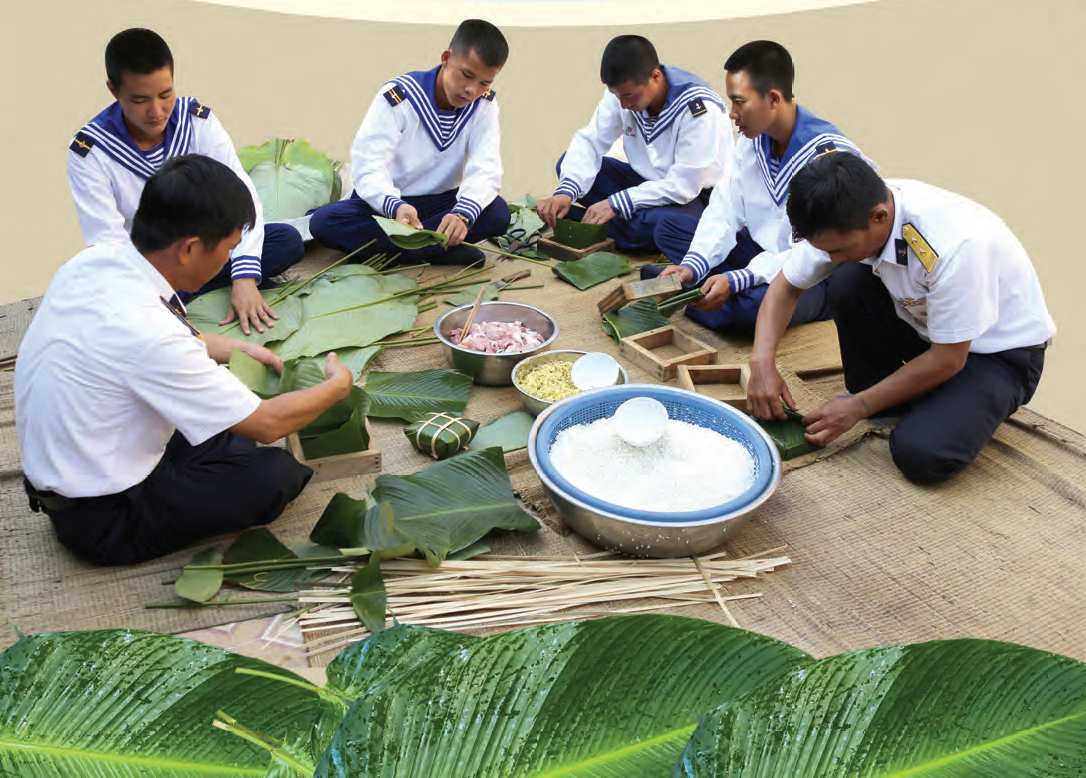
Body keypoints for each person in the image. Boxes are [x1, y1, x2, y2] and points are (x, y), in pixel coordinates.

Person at [17, 155, 354, 565]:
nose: (230, 262)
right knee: (273, 476)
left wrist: (235, 348)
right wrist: (335, 388)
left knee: (227, 426)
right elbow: (269, 425)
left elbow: (163, 338)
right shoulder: (147, 333)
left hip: (84, 454)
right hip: (101, 514)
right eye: (229, 250)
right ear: (191, 248)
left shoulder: (92, 263)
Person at [746, 152, 1055, 481]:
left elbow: (949, 358)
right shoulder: (843, 213)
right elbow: (785, 287)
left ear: (879, 217)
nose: (830, 257)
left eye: (838, 249)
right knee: (847, 279)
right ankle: (900, 399)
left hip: (996, 355)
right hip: (926, 329)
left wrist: (858, 406)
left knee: (921, 453)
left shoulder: (954, 245)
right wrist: (762, 363)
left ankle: (947, 402)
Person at [67, 28, 304, 337]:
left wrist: (244, 277)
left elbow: (240, 194)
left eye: (166, 94)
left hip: (207, 252)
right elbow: (108, 242)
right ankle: (176, 299)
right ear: (113, 90)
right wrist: (158, 297)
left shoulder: (197, 121)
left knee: (286, 241)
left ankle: (204, 289)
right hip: (153, 269)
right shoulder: (91, 152)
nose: (157, 111)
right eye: (140, 100)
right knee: (105, 295)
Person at [649, 40, 869, 335]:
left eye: (739, 101)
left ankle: (693, 294)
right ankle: (701, 284)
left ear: (774, 99)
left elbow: (810, 252)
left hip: (813, 274)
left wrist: (740, 278)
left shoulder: (830, 159)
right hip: (760, 254)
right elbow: (724, 208)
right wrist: (693, 265)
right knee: (669, 228)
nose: (731, 113)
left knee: (756, 308)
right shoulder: (753, 141)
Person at [309, 19, 510, 265]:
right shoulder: (399, 97)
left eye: (484, 83)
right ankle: (438, 250)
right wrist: (395, 207)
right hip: (388, 207)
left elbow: (487, 169)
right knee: (324, 222)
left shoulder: (484, 106)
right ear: (446, 58)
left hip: (442, 203)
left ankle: (401, 252)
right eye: (466, 75)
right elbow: (369, 168)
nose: (471, 90)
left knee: (498, 212)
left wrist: (461, 215)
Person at [535, 35, 732, 253]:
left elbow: (684, 186)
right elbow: (591, 141)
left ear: (655, 76)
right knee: (568, 165)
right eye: (616, 95)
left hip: (695, 198)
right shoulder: (623, 93)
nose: (623, 104)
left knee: (659, 226)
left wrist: (615, 203)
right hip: (644, 183)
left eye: (629, 95)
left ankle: (584, 219)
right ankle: (605, 220)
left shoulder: (699, 108)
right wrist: (565, 192)